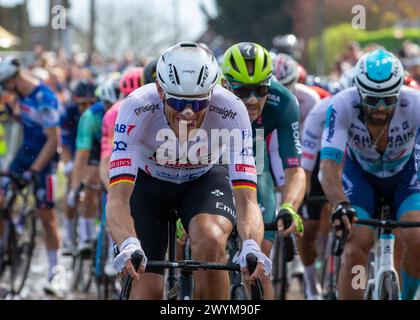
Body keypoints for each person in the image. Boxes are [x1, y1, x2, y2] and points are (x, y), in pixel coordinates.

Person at [107, 41, 272, 300]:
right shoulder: (136, 107)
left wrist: (251, 243)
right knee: (145, 289)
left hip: (203, 178)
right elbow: (117, 198)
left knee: (211, 240)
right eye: (177, 102)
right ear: (160, 90)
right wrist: (128, 242)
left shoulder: (231, 110)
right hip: (150, 183)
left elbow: (247, 199)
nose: (187, 114)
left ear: (212, 92)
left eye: (197, 104)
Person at [319, 49, 420, 300]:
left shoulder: (415, 103)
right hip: (360, 176)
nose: (380, 108)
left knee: (417, 239)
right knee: (356, 244)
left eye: (388, 99)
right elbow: (329, 164)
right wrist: (340, 204)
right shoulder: (342, 104)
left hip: (405, 176)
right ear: (359, 93)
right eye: (372, 100)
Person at [221, 42, 306, 299]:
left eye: (260, 90)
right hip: (214, 155)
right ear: (226, 86)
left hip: (255, 156)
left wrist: (289, 206)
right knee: (205, 248)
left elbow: (294, 169)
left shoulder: (284, 102)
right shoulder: (211, 97)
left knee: (258, 263)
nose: (252, 99)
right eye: (243, 91)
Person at [0, 56, 62, 294]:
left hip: (44, 161)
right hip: (23, 155)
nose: (5, 89)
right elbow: (27, 121)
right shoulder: (22, 96)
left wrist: (34, 171)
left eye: (5, 83)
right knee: (2, 198)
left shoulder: (45, 98)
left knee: (47, 216)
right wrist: (12, 113)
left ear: (15, 79)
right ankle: (5, 247)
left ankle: (55, 273)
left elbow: (52, 139)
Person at [60, 79, 98, 255]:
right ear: (75, 100)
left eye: (91, 103)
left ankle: (92, 229)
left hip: (93, 150)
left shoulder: (97, 115)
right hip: (75, 151)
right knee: (73, 190)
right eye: (82, 104)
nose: (87, 107)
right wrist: (68, 164)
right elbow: (64, 144)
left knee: (93, 186)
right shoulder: (68, 112)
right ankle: (68, 238)